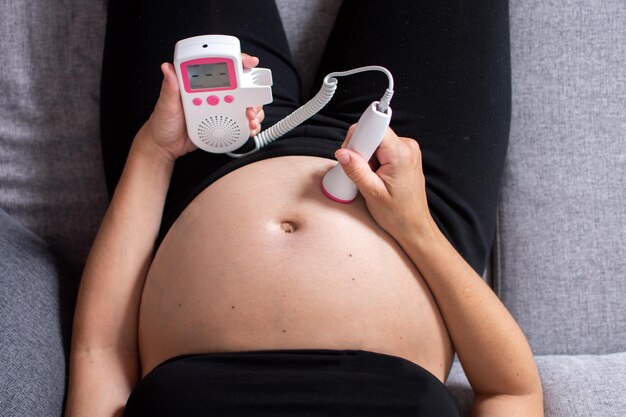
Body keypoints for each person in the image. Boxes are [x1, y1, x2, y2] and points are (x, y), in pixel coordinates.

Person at [64, 1, 543, 416]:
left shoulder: (167, 152)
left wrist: (156, 150)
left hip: (193, 157)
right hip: (412, 189)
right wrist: (415, 225)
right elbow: (511, 390)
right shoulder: (415, 214)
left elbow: (101, 353)